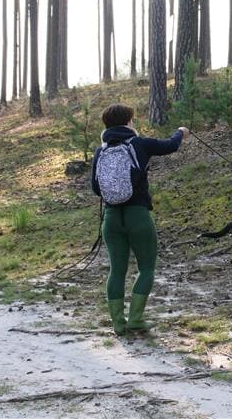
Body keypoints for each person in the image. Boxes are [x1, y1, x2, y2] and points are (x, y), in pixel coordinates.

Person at [92, 104, 189, 335]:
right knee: (146, 268)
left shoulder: (101, 151)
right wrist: (181, 131)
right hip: (138, 215)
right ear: (128, 122)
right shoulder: (139, 144)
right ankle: (136, 318)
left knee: (116, 271)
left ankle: (118, 323)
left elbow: (96, 188)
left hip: (111, 218)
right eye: (133, 120)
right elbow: (170, 146)